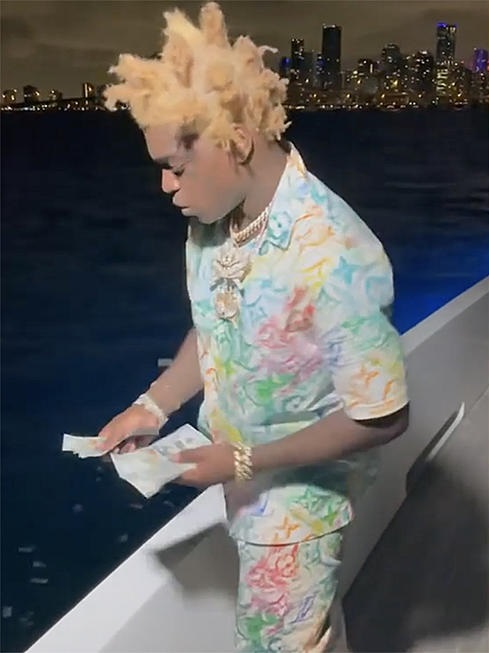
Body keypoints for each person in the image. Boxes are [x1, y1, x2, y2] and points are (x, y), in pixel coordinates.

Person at [100, 3, 409, 651]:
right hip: (241, 479)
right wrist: (151, 406)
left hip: (301, 503)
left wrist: (242, 459)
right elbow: (215, 324)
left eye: (176, 166)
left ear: (235, 142)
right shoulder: (214, 222)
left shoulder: (335, 252)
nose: (165, 186)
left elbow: (382, 416)